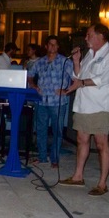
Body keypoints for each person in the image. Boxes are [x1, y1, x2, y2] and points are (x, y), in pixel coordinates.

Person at [60, 24, 109, 196]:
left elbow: (104, 79)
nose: (86, 38)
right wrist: (76, 61)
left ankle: (102, 184)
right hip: (83, 105)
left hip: (101, 105)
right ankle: (78, 176)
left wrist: (80, 83)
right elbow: (79, 77)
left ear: (100, 35)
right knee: (81, 139)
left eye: (89, 35)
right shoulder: (89, 55)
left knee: (101, 143)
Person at [27, 35, 73, 168]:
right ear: (46, 46)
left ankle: (54, 159)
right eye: (50, 44)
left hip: (58, 102)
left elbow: (76, 77)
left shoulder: (65, 62)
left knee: (57, 131)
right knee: (41, 130)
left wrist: (66, 90)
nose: (52, 47)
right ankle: (42, 157)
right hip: (42, 101)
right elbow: (29, 75)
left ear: (58, 46)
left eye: (55, 44)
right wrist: (34, 86)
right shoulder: (40, 62)